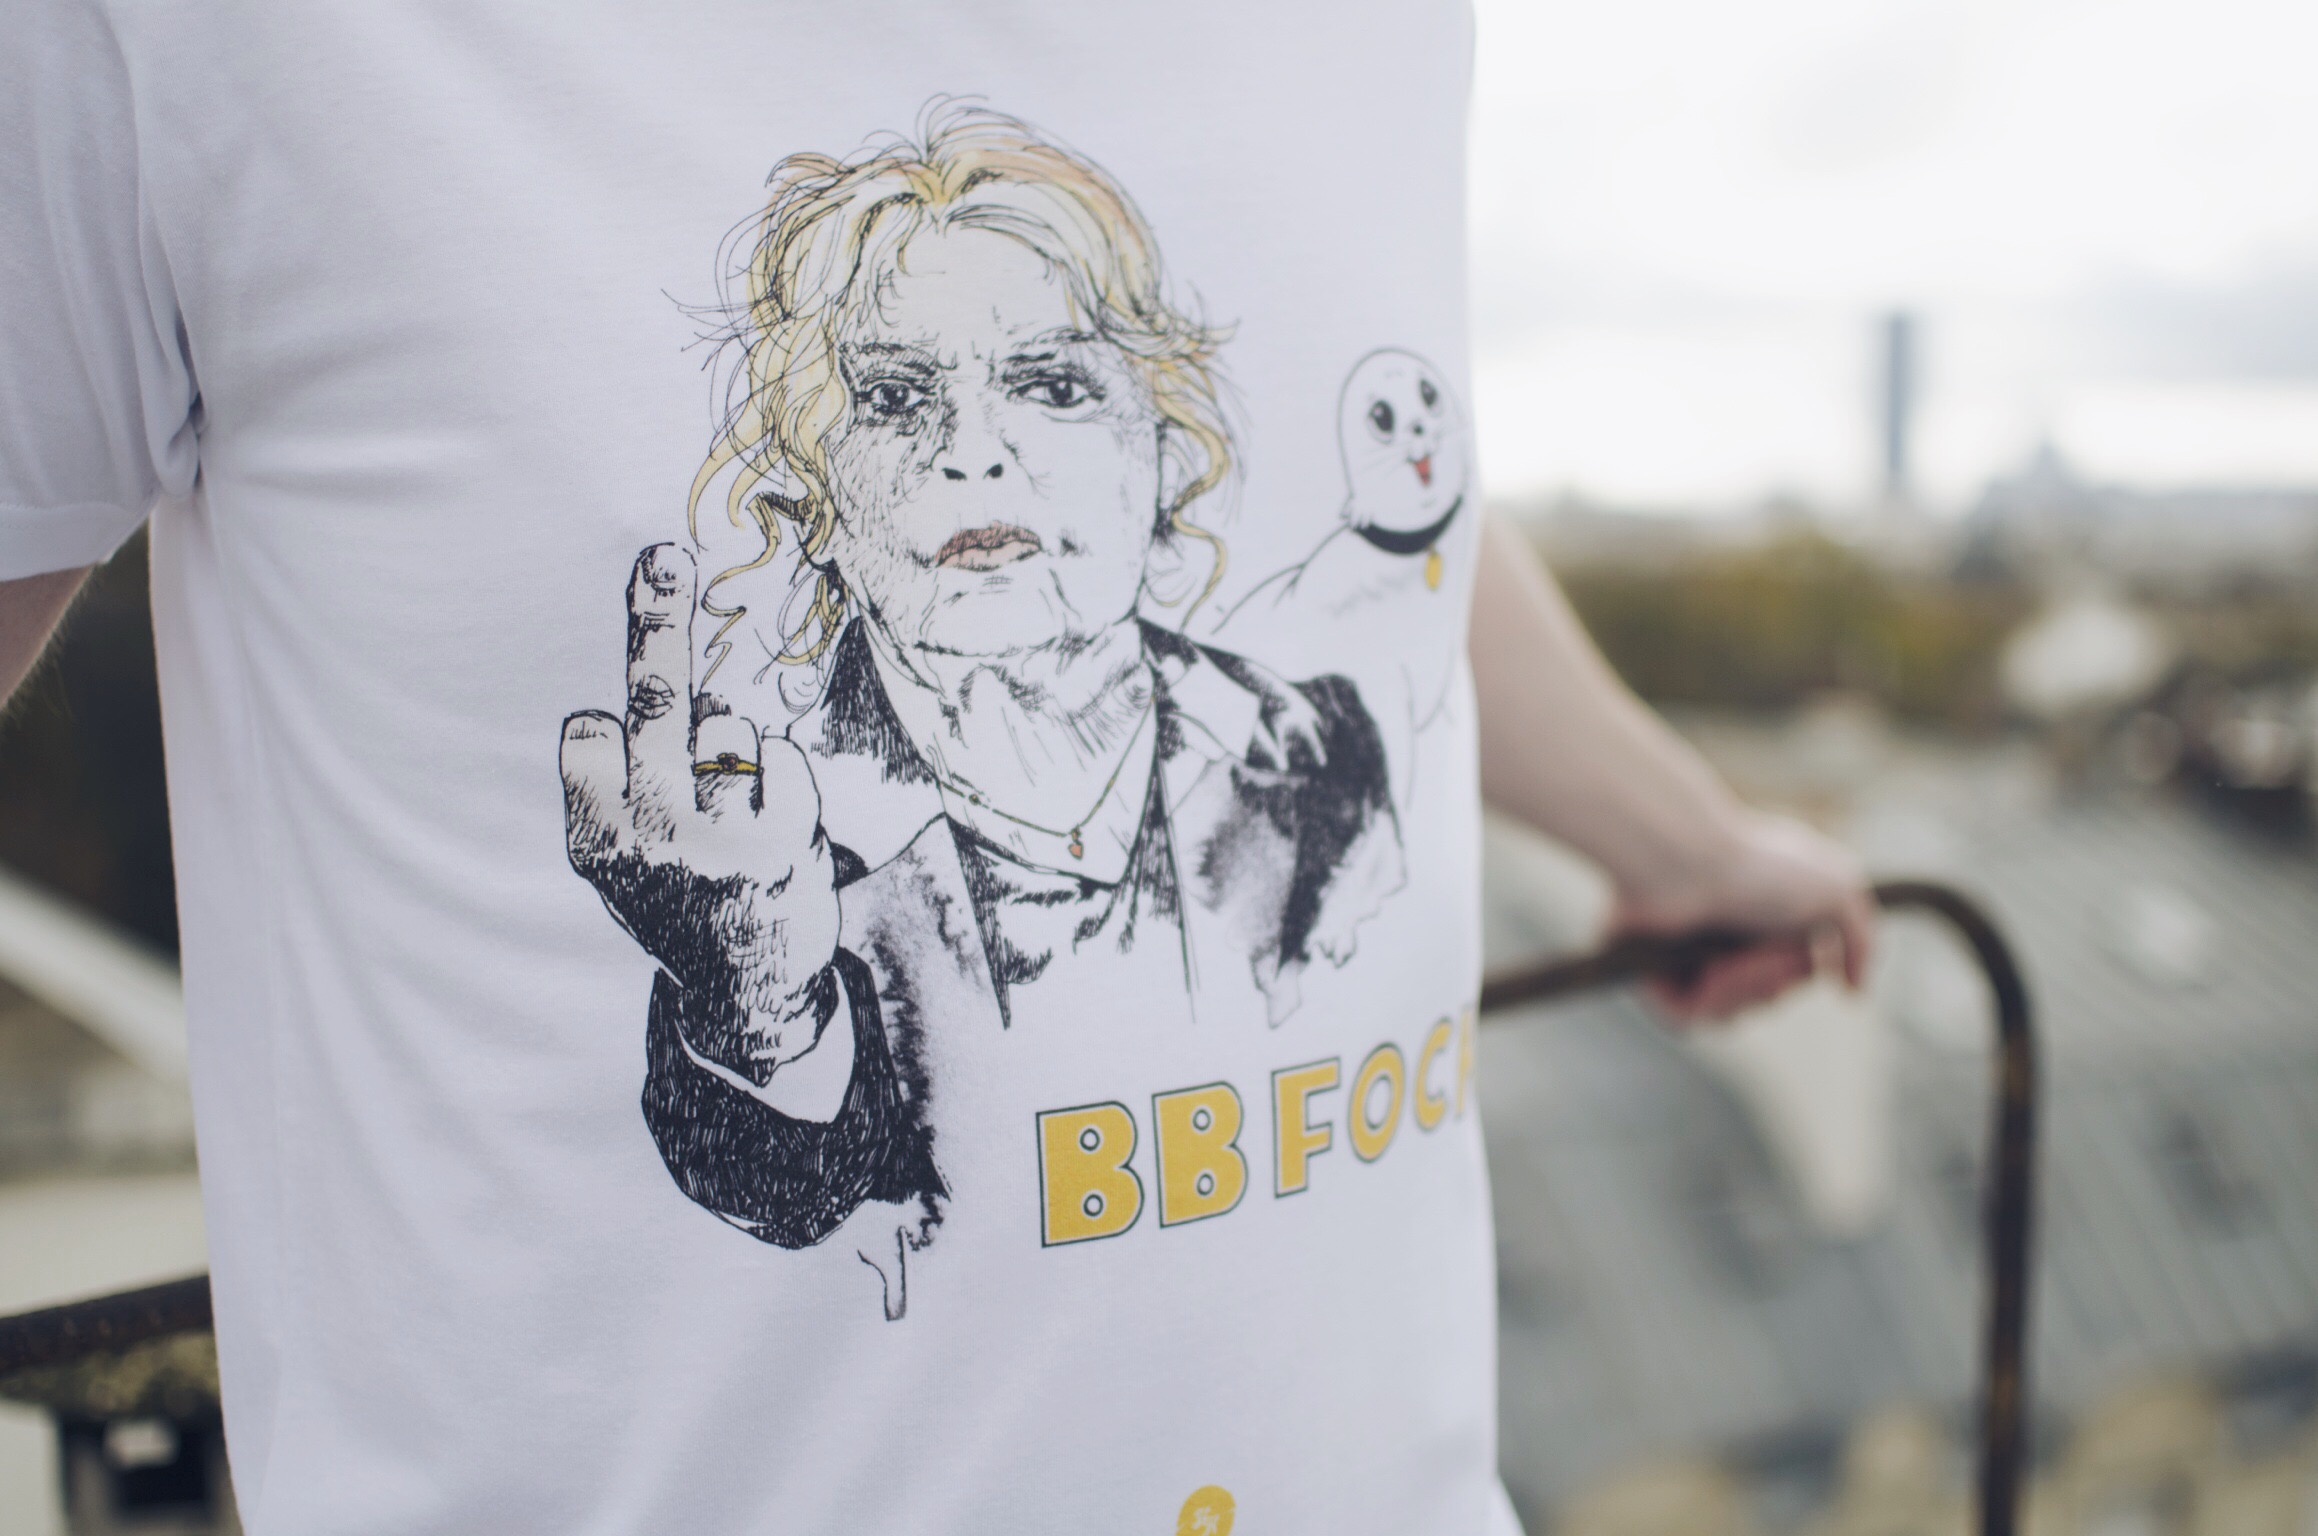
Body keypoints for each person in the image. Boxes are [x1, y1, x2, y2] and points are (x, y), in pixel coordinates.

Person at [2, 7, 1869, 1532]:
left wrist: (1680, 839)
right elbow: (797, 1175)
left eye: (1053, 385)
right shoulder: (198, 37)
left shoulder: (1301, 745)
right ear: (810, 494)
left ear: (1167, 452)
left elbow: (1396, 519)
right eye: (895, 402)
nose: (978, 457)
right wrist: (751, 993)